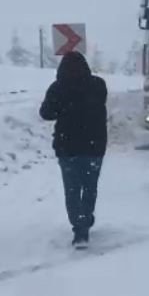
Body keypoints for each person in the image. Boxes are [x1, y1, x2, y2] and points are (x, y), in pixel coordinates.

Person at [39, 51, 107, 248]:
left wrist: (63, 106)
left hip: (67, 146)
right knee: (90, 187)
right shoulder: (98, 85)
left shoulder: (57, 88)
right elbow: (100, 103)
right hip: (94, 145)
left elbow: (46, 113)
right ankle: (85, 219)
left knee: (72, 189)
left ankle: (79, 227)